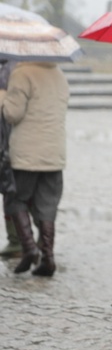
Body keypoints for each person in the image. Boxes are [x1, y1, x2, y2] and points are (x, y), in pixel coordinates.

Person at [0, 60, 69, 276]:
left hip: (26, 153)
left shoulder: (22, 73)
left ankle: (29, 249)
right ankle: (47, 257)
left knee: (15, 198)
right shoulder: (59, 74)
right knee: (48, 204)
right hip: (54, 151)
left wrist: (2, 96)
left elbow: (12, 113)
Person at [0, 59, 19, 258]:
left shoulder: (8, 70)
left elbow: (8, 111)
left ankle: (17, 241)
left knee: (11, 188)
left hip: (9, 138)